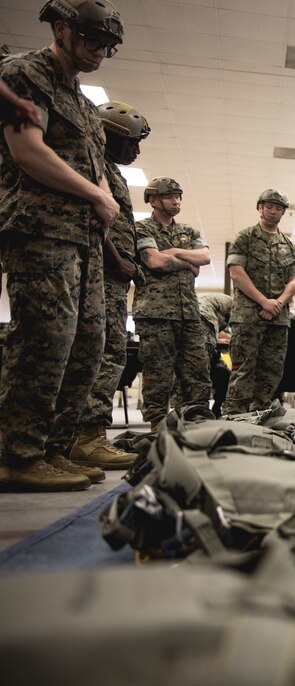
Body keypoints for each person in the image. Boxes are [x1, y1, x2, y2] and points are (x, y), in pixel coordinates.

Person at [0, 0, 125, 492]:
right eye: (93, 40)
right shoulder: (21, 75)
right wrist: (96, 195)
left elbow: (92, 169)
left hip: (82, 238)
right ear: (61, 29)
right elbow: (27, 151)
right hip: (39, 229)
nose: (99, 52)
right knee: (44, 339)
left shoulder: (85, 105)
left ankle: (53, 448)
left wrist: (101, 201)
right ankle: (17, 454)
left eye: (107, 46)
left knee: (88, 344)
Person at [70, 102, 148, 472]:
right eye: (132, 143)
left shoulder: (110, 170)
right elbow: (91, 218)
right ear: (110, 137)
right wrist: (117, 260)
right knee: (105, 353)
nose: (136, 151)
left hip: (111, 276)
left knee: (106, 351)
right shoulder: (94, 165)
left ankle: (80, 437)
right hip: (101, 270)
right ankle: (87, 438)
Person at [132, 177, 212, 431]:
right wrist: (189, 263)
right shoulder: (142, 228)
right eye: (169, 197)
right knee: (158, 373)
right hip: (155, 313)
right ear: (153, 200)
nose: (176, 201)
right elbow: (155, 262)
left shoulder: (189, 231)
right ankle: (157, 425)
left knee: (198, 372)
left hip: (189, 313)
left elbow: (205, 257)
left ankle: (197, 423)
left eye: (178, 196)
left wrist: (174, 252)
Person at [223, 189, 295, 414]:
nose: (273, 211)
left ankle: (262, 416)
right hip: (248, 316)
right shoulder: (245, 237)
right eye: (269, 207)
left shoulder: (289, 246)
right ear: (260, 208)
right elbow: (236, 273)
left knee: (271, 372)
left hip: (278, 319)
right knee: (243, 369)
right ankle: (235, 416)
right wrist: (264, 301)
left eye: (278, 208)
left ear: (283, 212)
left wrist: (278, 303)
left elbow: (294, 281)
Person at [196, 292, 232, 417]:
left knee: (222, 373)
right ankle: (201, 411)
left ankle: (213, 408)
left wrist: (216, 339)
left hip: (192, 314)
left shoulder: (219, 306)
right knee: (203, 372)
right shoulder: (235, 308)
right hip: (203, 315)